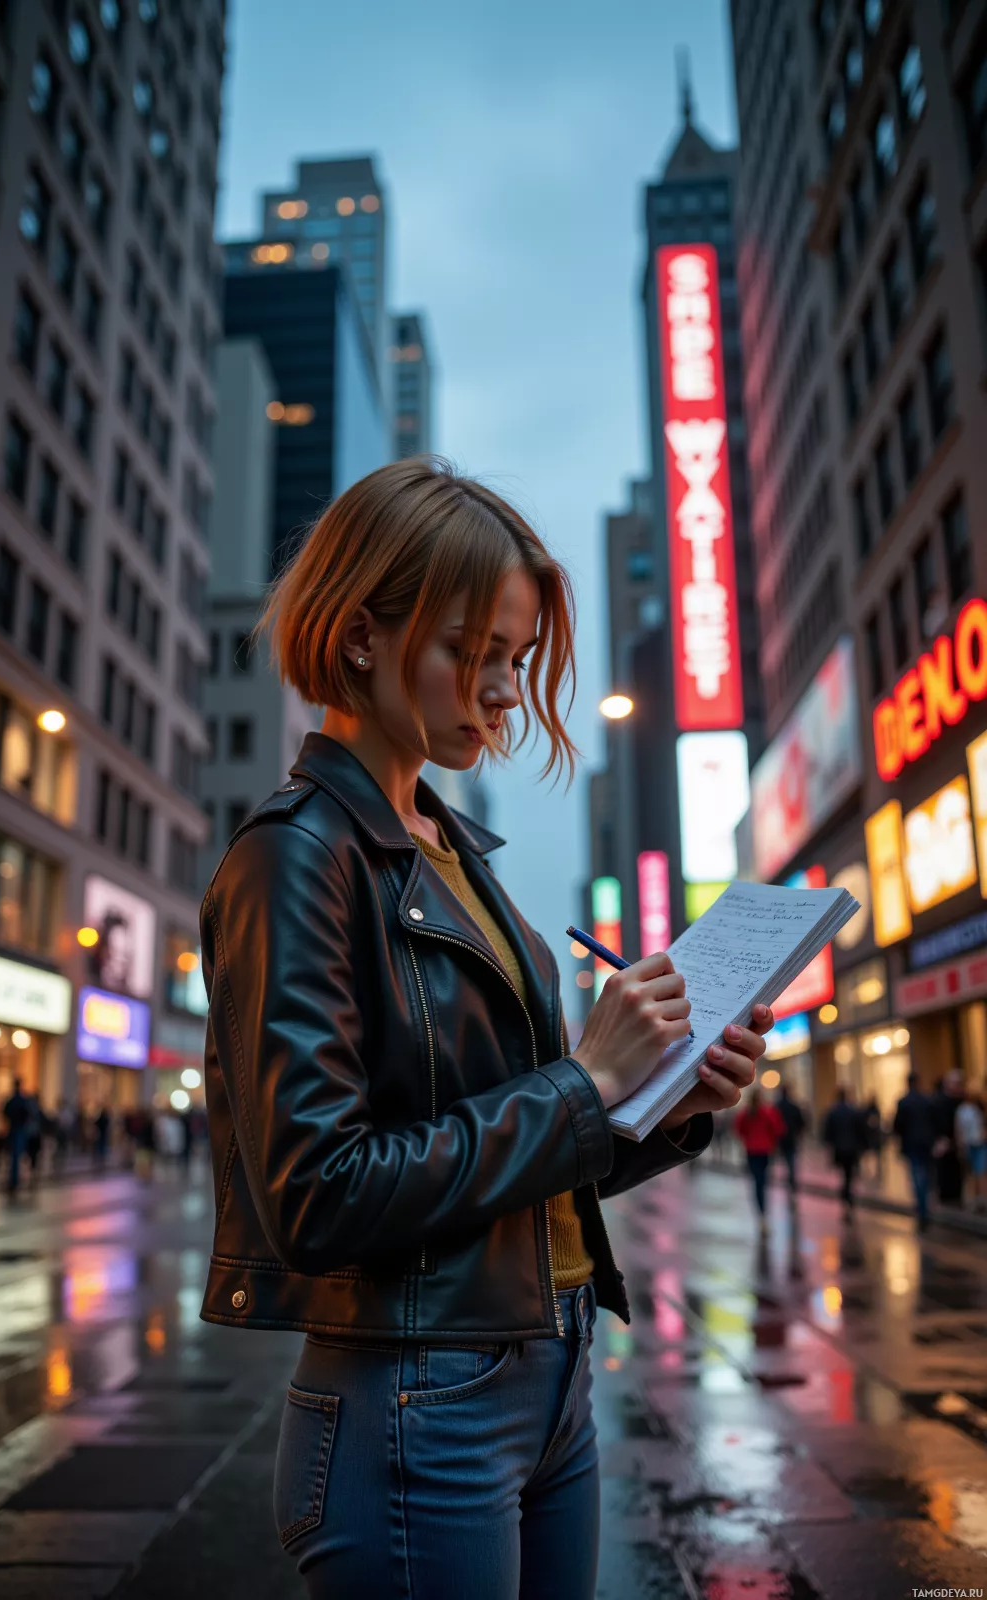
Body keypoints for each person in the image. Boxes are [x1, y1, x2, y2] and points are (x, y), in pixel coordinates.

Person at [197, 459, 774, 1598]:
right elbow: (319, 1194)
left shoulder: (455, 855)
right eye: (478, 651)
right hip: (416, 1399)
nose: (508, 690)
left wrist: (664, 1102)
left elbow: (517, 1167)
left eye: (515, 658)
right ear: (361, 634)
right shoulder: (296, 855)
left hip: (551, 1370)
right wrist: (581, 1082)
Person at [734, 1091, 786, 1231]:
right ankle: (763, 1213)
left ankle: (761, 1212)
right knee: (762, 1181)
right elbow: (778, 1129)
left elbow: (738, 1129)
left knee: (757, 1181)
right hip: (765, 1150)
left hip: (752, 1150)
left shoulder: (746, 1113)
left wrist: (748, 1138)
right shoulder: (768, 1112)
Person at [893, 1073, 938, 1230]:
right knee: (925, 1175)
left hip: (912, 1144)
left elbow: (897, 1126)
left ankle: (922, 1208)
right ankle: (924, 1207)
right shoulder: (927, 1100)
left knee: (917, 1175)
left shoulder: (904, 1102)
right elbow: (935, 1122)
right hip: (926, 1144)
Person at [821, 1087, 865, 1213]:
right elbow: (861, 1130)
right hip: (852, 1148)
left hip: (840, 1148)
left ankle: (846, 1194)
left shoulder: (833, 1112)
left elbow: (827, 1133)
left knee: (845, 1173)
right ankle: (847, 1194)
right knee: (849, 1173)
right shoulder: (853, 1111)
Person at [931, 1070, 965, 1205]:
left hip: (956, 1144)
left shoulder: (961, 1101)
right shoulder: (939, 1101)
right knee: (946, 1175)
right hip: (945, 1144)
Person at [955, 1089, 987, 1210]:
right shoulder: (962, 1110)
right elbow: (959, 1128)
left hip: (979, 1143)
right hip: (969, 1144)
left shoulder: (979, 1109)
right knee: (971, 1173)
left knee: (980, 1172)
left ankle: (981, 1199)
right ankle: (973, 1199)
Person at [775, 1082, 806, 1200]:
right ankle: (791, 1180)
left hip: (780, 1138)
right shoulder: (794, 1106)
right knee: (791, 1160)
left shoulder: (776, 1106)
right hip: (791, 1138)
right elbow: (802, 1123)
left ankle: (789, 1180)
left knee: (783, 1161)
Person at [2, 1078, 30, 1195]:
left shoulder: (12, 1100)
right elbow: (27, 1114)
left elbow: (5, 1111)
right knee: (16, 1156)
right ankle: (15, 1180)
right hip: (18, 1129)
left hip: (14, 1129)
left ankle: (14, 1180)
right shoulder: (22, 1100)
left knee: (14, 1156)